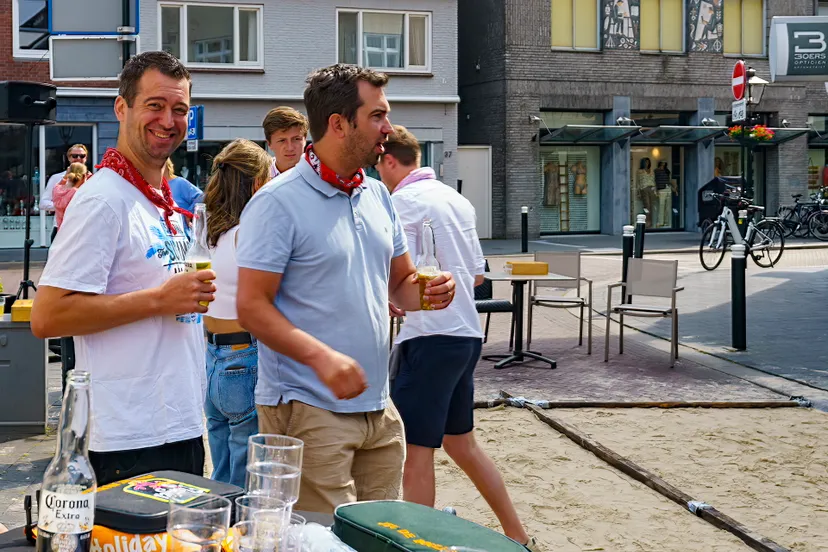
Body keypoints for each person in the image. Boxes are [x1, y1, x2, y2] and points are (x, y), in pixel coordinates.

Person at [235, 64, 457, 514]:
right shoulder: (277, 202)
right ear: (338, 123)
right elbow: (251, 307)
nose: (389, 128)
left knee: (377, 538)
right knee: (318, 541)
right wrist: (323, 358)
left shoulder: (376, 195)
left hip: (379, 406)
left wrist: (428, 293)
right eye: (377, 116)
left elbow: (400, 285)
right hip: (307, 409)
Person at [31, 51, 216, 485]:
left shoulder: (161, 200)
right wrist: (159, 300)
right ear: (122, 107)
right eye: (154, 105)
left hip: (179, 426)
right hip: (128, 441)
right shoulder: (103, 200)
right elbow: (48, 315)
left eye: (179, 109)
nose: (168, 120)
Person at [377, 125, 541, 552]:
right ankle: (517, 534)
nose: (379, 174)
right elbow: (479, 275)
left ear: (390, 160)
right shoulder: (458, 200)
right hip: (466, 333)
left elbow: (400, 276)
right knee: (461, 443)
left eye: (379, 165)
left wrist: (396, 298)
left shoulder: (400, 202)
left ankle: (416, 544)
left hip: (427, 336)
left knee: (418, 449)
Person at [201, 138, 271, 488]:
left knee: (221, 473)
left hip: (213, 357)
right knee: (245, 481)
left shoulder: (216, 230)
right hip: (244, 356)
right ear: (257, 183)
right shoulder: (251, 233)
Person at [41, 144, 90, 243]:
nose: (78, 158)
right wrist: (62, 206)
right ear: (69, 158)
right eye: (74, 156)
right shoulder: (57, 178)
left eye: (82, 156)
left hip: (84, 228)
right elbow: (43, 203)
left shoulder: (92, 178)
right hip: (61, 227)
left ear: (86, 158)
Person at [262, 106, 309, 178]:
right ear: (269, 143)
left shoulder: (320, 174)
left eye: (296, 139)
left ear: (305, 139)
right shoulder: (259, 178)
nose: (290, 148)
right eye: (282, 140)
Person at [52, 162, 89, 230]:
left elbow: (61, 183)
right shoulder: (78, 193)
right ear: (84, 176)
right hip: (74, 232)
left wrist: (65, 175)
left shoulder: (56, 189)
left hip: (60, 232)